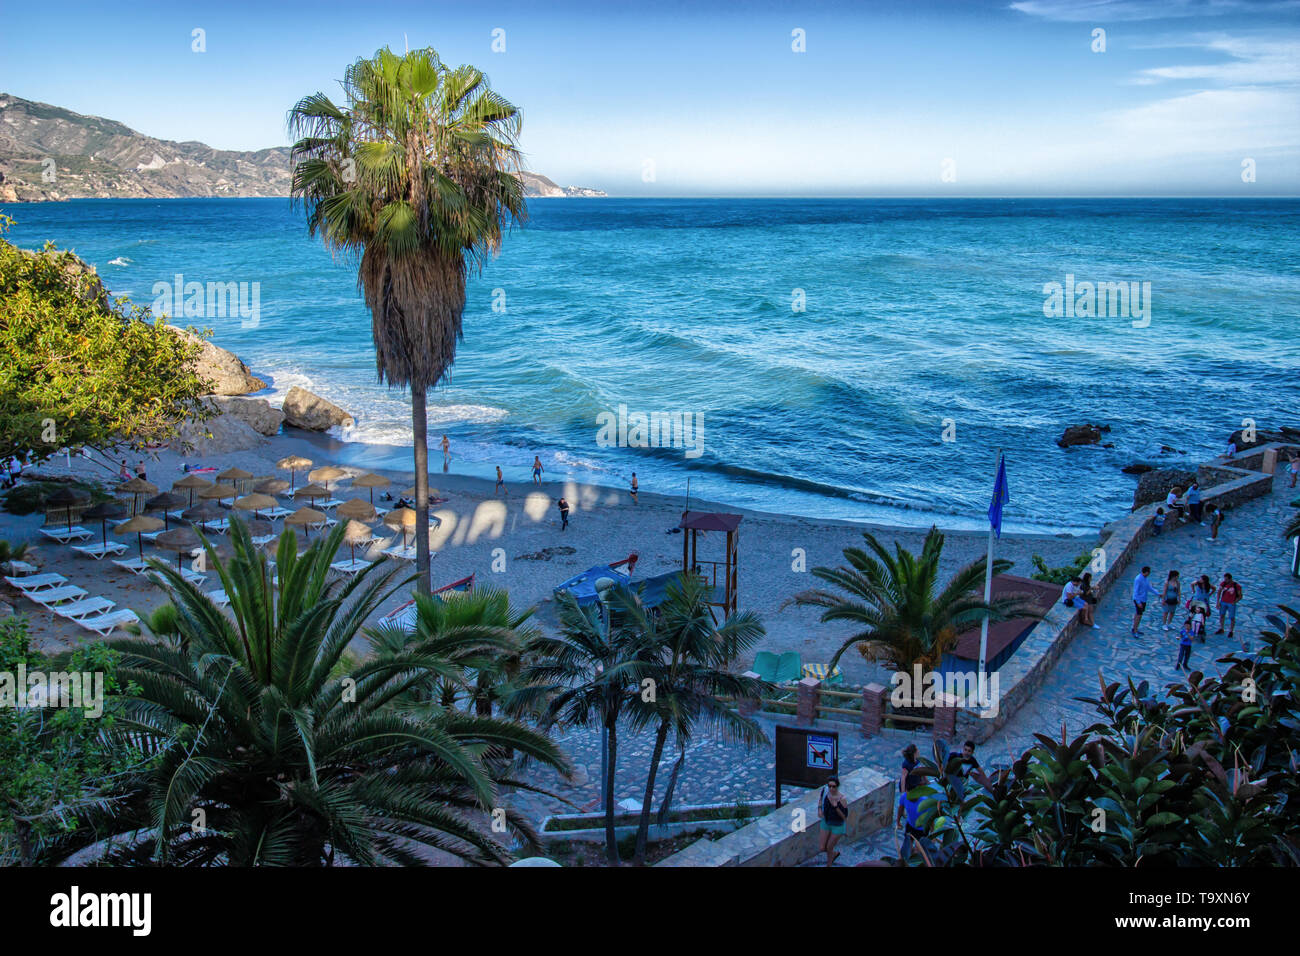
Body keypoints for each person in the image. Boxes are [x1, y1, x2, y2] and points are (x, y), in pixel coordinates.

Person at [817, 776, 849, 866]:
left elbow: (844, 817)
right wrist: (819, 809)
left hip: (837, 825)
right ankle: (834, 854)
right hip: (826, 822)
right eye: (829, 786)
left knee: (829, 847)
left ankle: (829, 863)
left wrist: (836, 807)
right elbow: (820, 800)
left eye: (833, 786)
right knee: (822, 848)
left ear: (837, 786)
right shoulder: (825, 791)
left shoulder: (842, 799)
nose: (831, 788)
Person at [1215, 572, 1243, 642]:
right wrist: (1218, 602)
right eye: (1225, 579)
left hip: (1231, 603)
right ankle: (1221, 628)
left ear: (1230, 579)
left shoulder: (1236, 586)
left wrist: (1235, 602)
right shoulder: (1223, 584)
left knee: (1232, 617)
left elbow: (1240, 595)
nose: (1225, 580)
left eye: (1227, 579)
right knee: (1222, 615)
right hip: (1223, 602)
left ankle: (1231, 631)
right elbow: (1219, 592)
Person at [1131, 566, 1156, 637]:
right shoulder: (1138, 579)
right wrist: (1138, 602)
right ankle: (1135, 630)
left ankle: (1135, 628)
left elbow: (1149, 588)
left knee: (1138, 614)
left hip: (1143, 599)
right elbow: (1135, 592)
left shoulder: (1145, 579)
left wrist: (1157, 593)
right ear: (1146, 572)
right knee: (1139, 615)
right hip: (1139, 600)